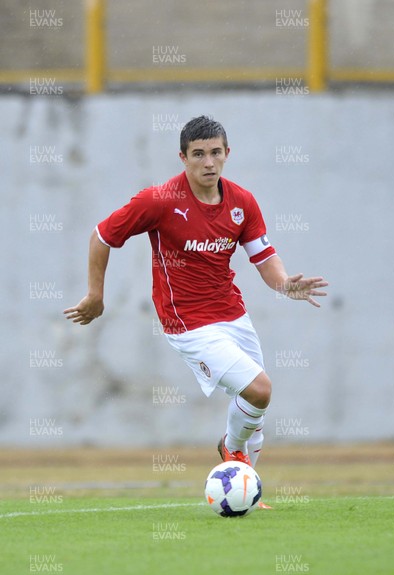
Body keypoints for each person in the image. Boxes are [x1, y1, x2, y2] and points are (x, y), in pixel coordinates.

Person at [64, 116, 328, 508]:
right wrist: (95, 294)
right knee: (259, 389)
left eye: (216, 153)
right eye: (199, 154)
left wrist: (285, 283)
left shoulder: (242, 202)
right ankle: (231, 450)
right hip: (186, 321)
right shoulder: (158, 201)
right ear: (183, 157)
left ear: (227, 154)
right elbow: (102, 235)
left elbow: (263, 256)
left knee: (257, 407)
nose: (208, 162)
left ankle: (246, 490)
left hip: (232, 314)